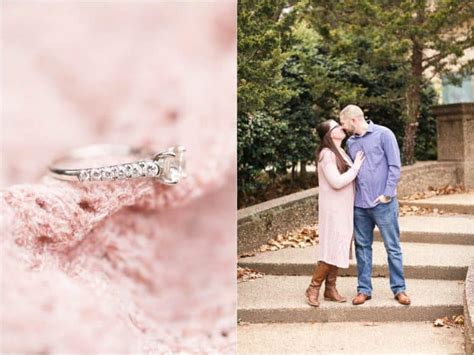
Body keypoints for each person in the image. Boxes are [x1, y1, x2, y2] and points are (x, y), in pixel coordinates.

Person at [339, 104, 411, 306]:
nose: (342, 127)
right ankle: (364, 290)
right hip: (360, 205)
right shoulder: (351, 143)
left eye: (343, 122)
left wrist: (387, 194)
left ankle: (399, 289)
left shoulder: (384, 134)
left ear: (353, 120)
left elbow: (395, 166)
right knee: (362, 247)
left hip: (384, 204)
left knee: (392, 247)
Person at [305, 119, 365, 307]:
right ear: (330, 134)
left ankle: (330, 289)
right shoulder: (326, 154)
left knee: (339, 246)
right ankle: (313, 288)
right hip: (333, 209)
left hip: (344, 208)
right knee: (332, 247)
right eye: (336, 126)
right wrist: (355, 167)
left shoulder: (340, 152)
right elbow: (337, 182)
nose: (341, 127)